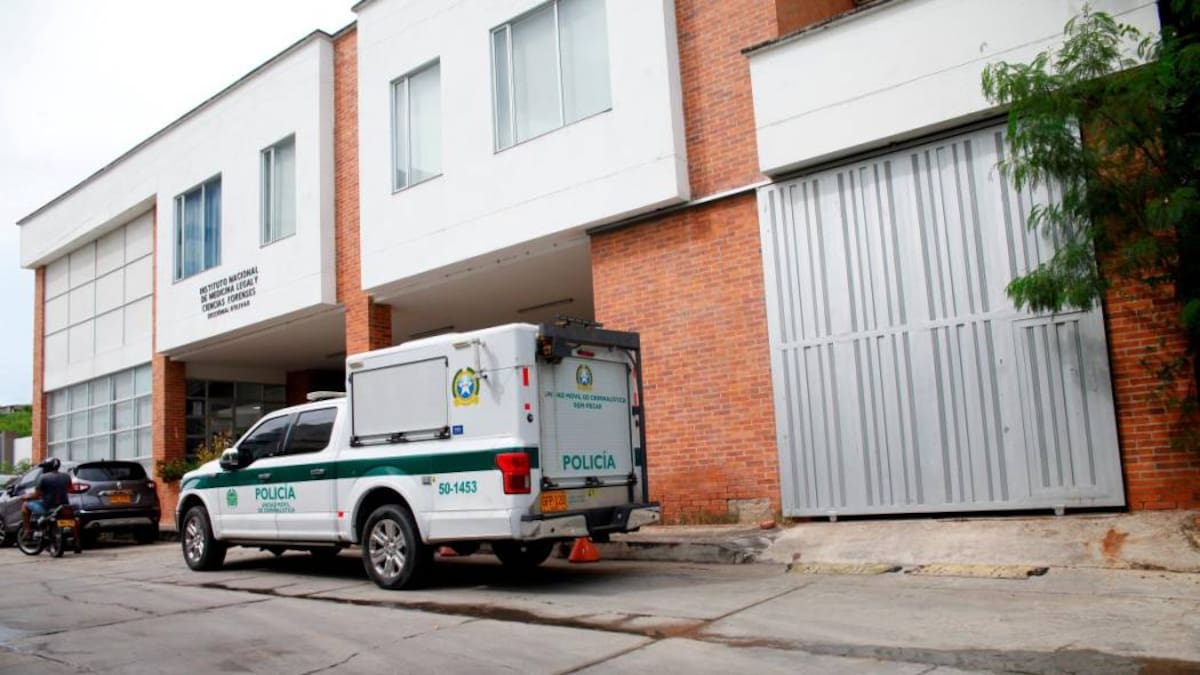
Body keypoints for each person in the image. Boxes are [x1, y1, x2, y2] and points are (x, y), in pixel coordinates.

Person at [21, 458, 72, 537]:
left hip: (48, 507)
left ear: (48, 467)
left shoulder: (43, 477)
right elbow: (69, 489)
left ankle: (27, 530)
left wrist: (26, 496)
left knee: (25, 505)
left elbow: (36, 495)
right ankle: (77, 541)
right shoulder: (66, 476)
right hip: (64, 505)